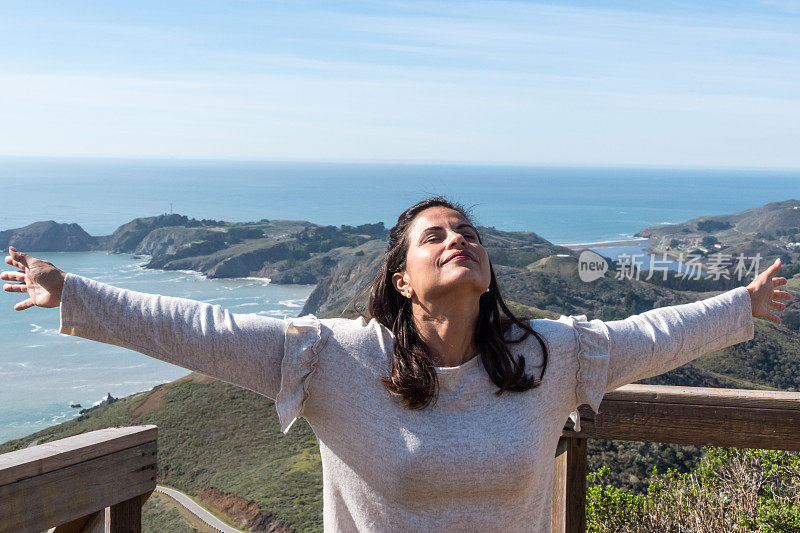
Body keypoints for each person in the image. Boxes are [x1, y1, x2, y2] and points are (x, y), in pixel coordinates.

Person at [2, 196, 792, 532]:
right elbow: (203, 328)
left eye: (468, 232)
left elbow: (652, 333)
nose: (460, 239)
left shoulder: (551, 354)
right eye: (434, 235)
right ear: (403, 279)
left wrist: (742, 305)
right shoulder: (332, 359)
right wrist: (73, 291)